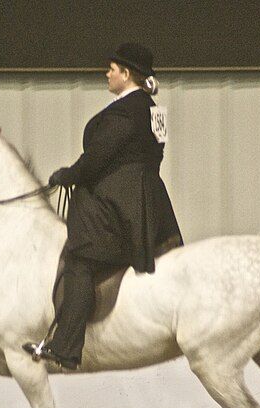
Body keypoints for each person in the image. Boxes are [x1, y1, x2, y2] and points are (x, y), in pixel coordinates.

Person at [23, 42, 183, 369]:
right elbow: (154, 155)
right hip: (149, 199)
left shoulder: (125, 112)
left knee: (81, 259)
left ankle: (66, 347)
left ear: (126, 74)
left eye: (112, 68)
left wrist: (69, 174)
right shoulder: (154, 111)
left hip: (118, 203)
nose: (107, 73)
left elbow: (99, 156)